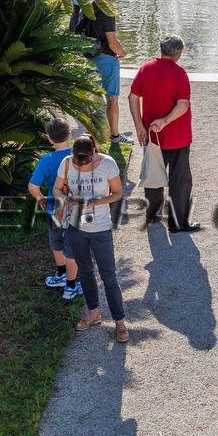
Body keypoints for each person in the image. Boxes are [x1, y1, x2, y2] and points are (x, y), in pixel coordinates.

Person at [54, 135, 129, 342]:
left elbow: (117, 193)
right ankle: (93, 315)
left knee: (109, 277)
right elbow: (56, 189)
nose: (81, 165)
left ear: (94, 152)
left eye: (85, 160)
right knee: (85, 273)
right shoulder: (67, 163)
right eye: (78, 160)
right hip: (75, 227)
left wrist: (96, 202)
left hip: (101, 229)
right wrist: (68, 199)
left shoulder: (107, 164)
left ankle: (120, 323)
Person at [129, 34, 199, 232]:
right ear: (178, 53)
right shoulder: (180, 73)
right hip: (178, 136)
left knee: (153, 176)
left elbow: (132, 97)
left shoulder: (146, 68)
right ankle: (178, 223)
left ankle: (153, 216)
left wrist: (139, 126)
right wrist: (165, 121)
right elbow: (183, 105)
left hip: (152, 136)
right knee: (180, 181)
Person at [28, 119, 83, 301]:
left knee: (56, 243)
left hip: (53, 208)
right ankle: (71, 285)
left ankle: (60, 274)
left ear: (50, 140)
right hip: (74, 210)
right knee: (71, 249)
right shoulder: (80, 157)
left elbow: (33, 186)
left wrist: (41, 198)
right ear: (70, 135)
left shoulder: (46, 160)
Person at [71, 0, 130, 146]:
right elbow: (112, 42)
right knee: (112, 97)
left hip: (89, 58)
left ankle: (89, 136)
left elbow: (76, 32)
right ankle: (115, 136)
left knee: (90, 97)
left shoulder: (87, 7)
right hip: (107, 59)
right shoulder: (108, 11)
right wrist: (123, 53)